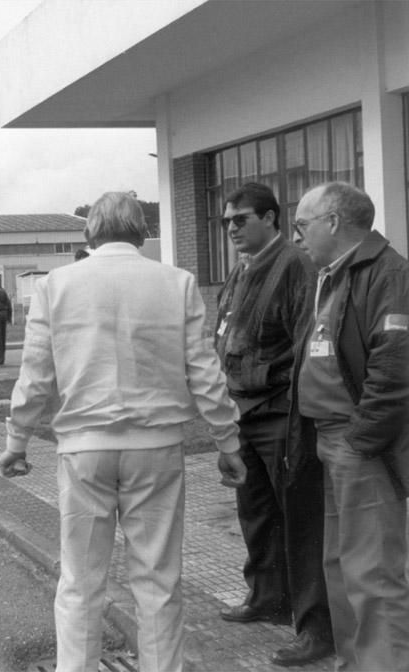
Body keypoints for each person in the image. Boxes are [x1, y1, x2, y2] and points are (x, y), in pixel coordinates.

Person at [0, 191, 245, 672]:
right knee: (158, 580)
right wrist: (226, 440)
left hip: (85, 448)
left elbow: (36, 373)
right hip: (155, 449)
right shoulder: (177, 283)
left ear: (90, 233)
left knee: (81, 581)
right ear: (140, 233)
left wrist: (17, 440)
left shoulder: (56, 285)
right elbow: (203, 370)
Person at [292, 182, 409, 672]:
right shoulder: (329, 275)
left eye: (302, 225)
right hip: (328, 439)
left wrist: (361, 441)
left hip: (360, 445)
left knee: (374, 573)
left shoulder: (387, 273)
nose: (296, 238)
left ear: (334, 222)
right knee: (339, 565)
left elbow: (396, 366)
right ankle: (355, 662)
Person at [214, 183, 333, 667]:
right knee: (256, 512)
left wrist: (296, 413)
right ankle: (267, 596)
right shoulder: (240, 272)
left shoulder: (295, 267)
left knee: (302, 522)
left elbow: (307, 344)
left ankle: (317, 628)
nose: (232, 229)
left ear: (271, 218)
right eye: (226, 223)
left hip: (283, 414)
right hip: (243, 413)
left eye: (241, 219)